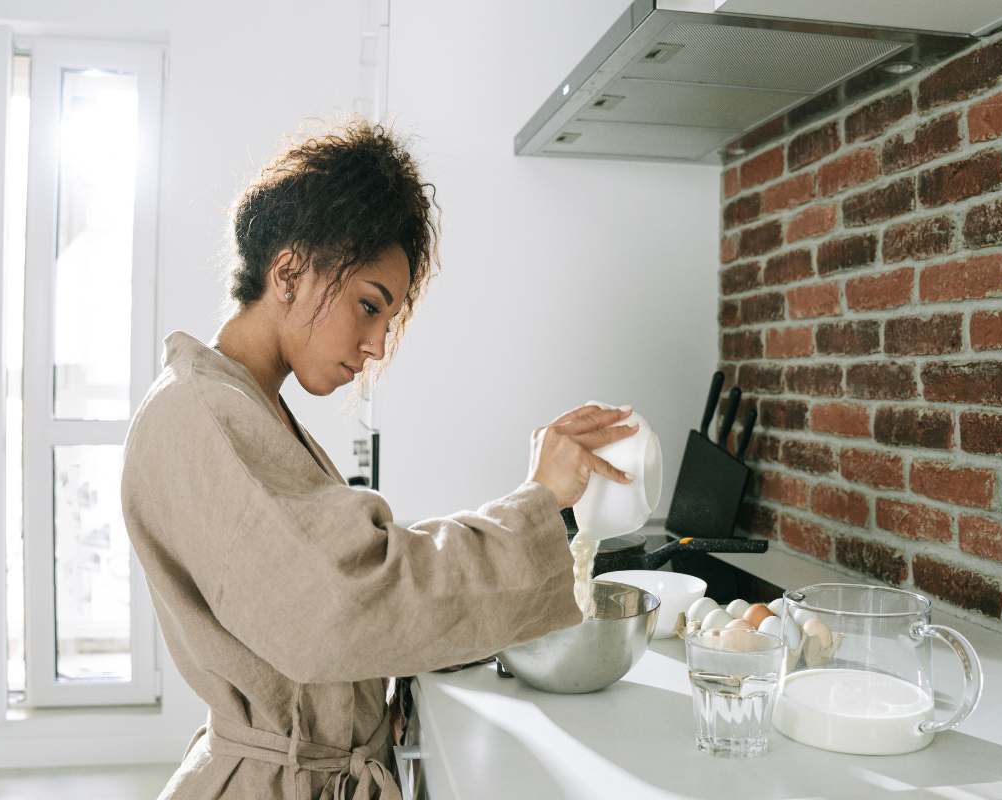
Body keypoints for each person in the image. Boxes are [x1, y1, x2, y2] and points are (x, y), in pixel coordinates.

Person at [120, 119, 638, 800]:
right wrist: (536, 500)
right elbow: (344, 604)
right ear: (289, 272)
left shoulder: (245, 406)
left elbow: (338, 582)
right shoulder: (203, 414)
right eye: (368, 306)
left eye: (386, 322)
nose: (376, 345)